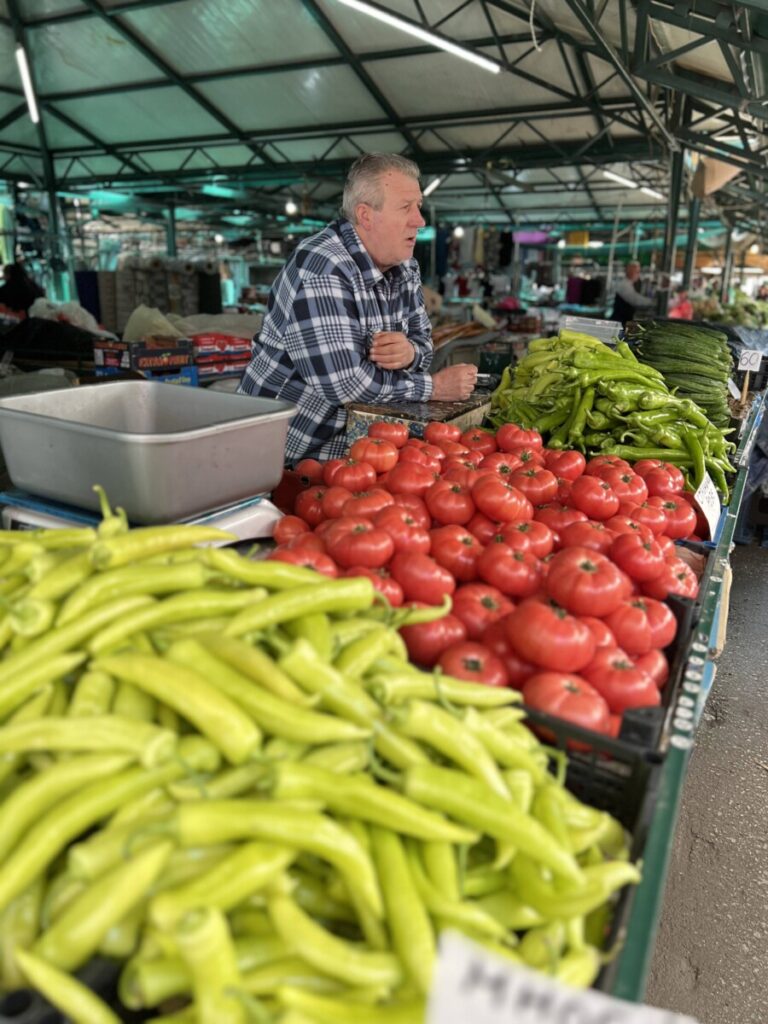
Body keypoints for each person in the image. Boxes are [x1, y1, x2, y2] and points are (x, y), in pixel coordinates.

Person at [238, 153, 477, 463]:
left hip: (347, 450)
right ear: (366, 216)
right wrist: (435, 387)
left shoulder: (405, 267)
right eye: (406, 208)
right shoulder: (323, 267)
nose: (420, 220)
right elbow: (346, 385)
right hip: (279, 454)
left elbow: (424, 343)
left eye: (418, 206)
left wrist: (410, 353)